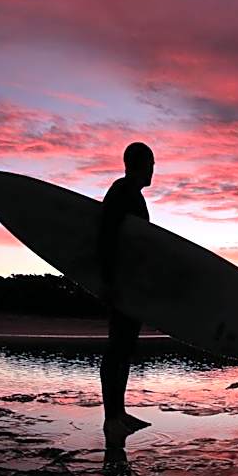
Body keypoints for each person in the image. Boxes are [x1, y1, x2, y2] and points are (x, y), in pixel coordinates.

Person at [99, 141, 155, 441]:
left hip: (131, 284)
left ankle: (119, 413)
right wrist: (108, 282)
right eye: (152, 164)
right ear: (141, 164)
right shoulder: (121, 191)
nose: (154, 170)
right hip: (120, 283)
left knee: (125, 348)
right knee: (117, 347)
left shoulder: (133, 195)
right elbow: (106, 236)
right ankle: (111, 417)